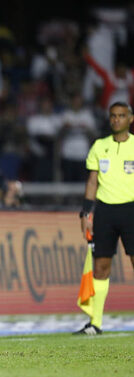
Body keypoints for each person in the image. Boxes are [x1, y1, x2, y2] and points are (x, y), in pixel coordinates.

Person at [76, 101, 134, 335]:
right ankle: (95, 323)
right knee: (100, 266)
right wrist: (85, 212)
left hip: (132, 209)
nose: (116, 120)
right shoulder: (99, 146)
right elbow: (92, 180)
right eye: (113, 116)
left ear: (131, 119)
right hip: (105, 211)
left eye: (121, 116)